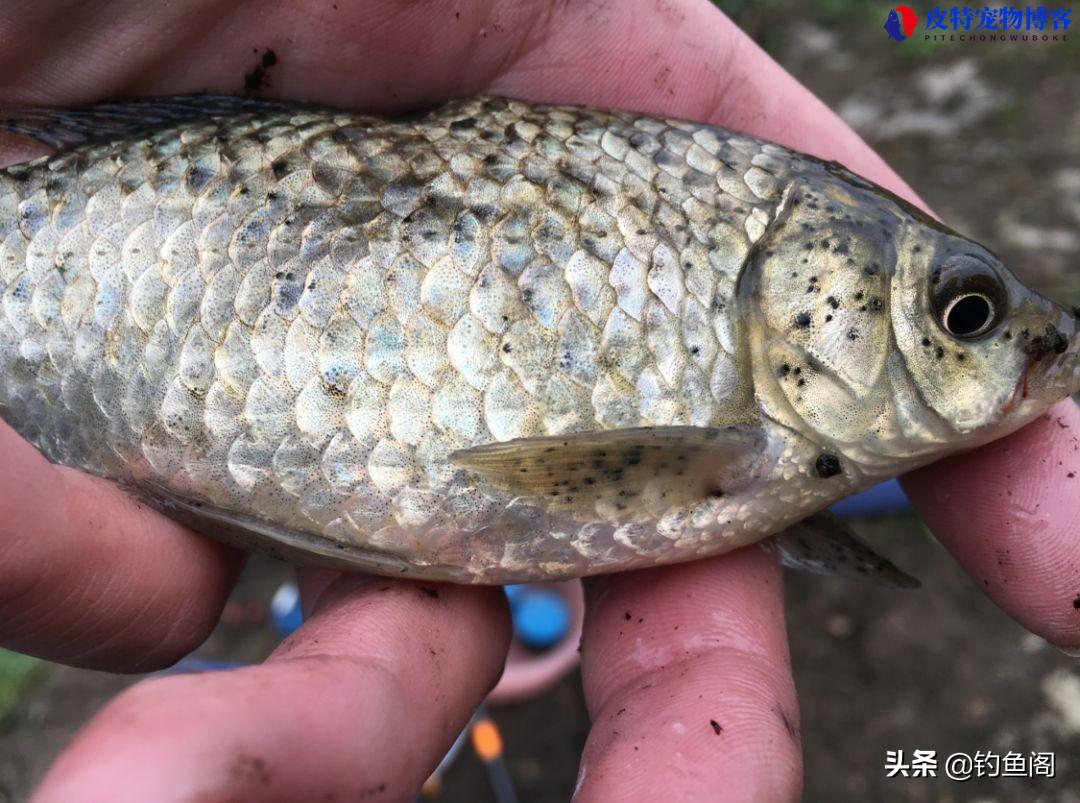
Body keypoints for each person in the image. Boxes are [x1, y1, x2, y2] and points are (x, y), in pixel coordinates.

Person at [2, 2, 1075, 800]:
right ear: (795, 291)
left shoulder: (773, 439)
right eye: (965, 314)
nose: (1013, 344)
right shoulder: (754, 446)